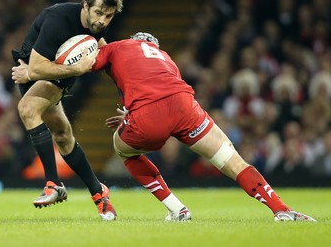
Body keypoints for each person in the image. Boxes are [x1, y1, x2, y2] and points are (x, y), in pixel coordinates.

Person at [93, 32, 316, 222]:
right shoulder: (166, 58)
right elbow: (164, 91)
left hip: (150, 114)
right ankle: (281, 209)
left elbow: (93, 57)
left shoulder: (120, 47)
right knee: (231, 160)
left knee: (123, 149)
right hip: (185, 105)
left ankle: (177, 209)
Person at [10, 0, 123, 221]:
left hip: (51, 75)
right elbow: (38, 66)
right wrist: (31, 73)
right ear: (85, 6)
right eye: (98, 13)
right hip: (38, 72)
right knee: (62, 135)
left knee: (28, 109)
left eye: (109, 16)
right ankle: (99, 193)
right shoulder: (58, 20)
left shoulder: (96, 27)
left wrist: (129, 98)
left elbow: (108, 58)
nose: (102, 20)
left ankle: (53, 183)